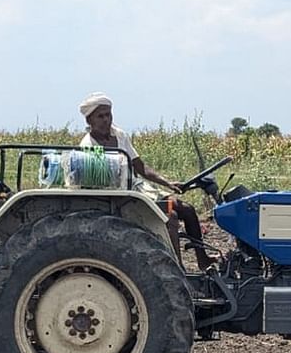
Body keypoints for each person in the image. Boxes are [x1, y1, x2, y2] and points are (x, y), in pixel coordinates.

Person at [78, 92, 214, 271]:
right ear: (90, 121)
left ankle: (203, 259)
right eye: (100, 116)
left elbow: (140, 168)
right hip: (118, 195)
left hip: (136, 188)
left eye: (108, 114)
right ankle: (177, 269)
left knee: (187, 209)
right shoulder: (88, 147)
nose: (106, 120)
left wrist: (167, 183)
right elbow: (99, 183)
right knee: (170, 217)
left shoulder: (119, 135)